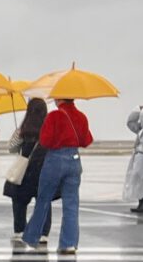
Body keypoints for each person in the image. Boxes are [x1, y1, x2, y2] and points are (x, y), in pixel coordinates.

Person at [21, 96, 94, 253]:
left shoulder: (54, 116)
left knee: (43, 199)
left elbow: (45, 141)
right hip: (74, 160)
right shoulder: (81, 116)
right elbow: (87, 140)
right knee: (71, 205)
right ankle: (69, 243)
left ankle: (32, 237)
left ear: (60, 98)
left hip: (55, 159)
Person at [3, 97, 48, 240]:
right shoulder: (48, 130)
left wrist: (17, 132)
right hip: (43, 171)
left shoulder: (24, 129)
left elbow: (11, 148)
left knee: (19, 200)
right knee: (44, 201)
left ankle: (19, 230)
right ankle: (43, 233)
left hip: (25, 172)